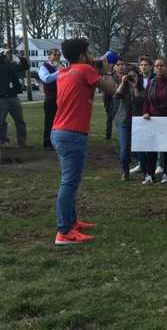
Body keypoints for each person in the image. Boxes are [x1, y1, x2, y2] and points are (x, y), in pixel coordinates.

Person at [52, 38, 117, 245]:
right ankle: (64, 232)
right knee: (69, 183)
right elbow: (112, 89)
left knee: (69, 181)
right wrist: (105, 70)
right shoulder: (83, 69)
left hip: (60, 131)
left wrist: (94, 66)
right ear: (81, 55)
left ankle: (71, 222)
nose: (92, 55)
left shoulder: (65, 71)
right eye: (88, 52)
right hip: (72, 134)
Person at [114, 66, 143, 181]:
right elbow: (116, 96)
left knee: (139, 147)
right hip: (123, 120)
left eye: (134, 76)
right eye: (130, 76)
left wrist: (135, 87)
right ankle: (125, 171)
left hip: (138, 121)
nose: (132, 78)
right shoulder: (123, 87)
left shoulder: (142, 87)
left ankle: (142, 166)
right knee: (125, 147)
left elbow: (139, 102)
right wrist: (123, 82)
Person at [0, 48, 29, 147]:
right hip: (1, 98)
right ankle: (2, 141)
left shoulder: (12, 65)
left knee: (20, 120)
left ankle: (22, 141)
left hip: (13, 97)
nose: (8, 55)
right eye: (6, 54)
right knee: (1, 121)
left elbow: (25, 66)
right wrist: (3, 54)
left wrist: (21, 57)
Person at [38, 48, 62, 150]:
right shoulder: (44, 67)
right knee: (49, 121)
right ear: (49, 56)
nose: (57, 56)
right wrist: (59, 72)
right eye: (54, 54)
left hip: (60, 98)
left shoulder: (61, 67)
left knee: (60, 121)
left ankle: (57, 141)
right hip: (50, 98)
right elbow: (46, 79)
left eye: (58, 55)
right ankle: (47, 143)